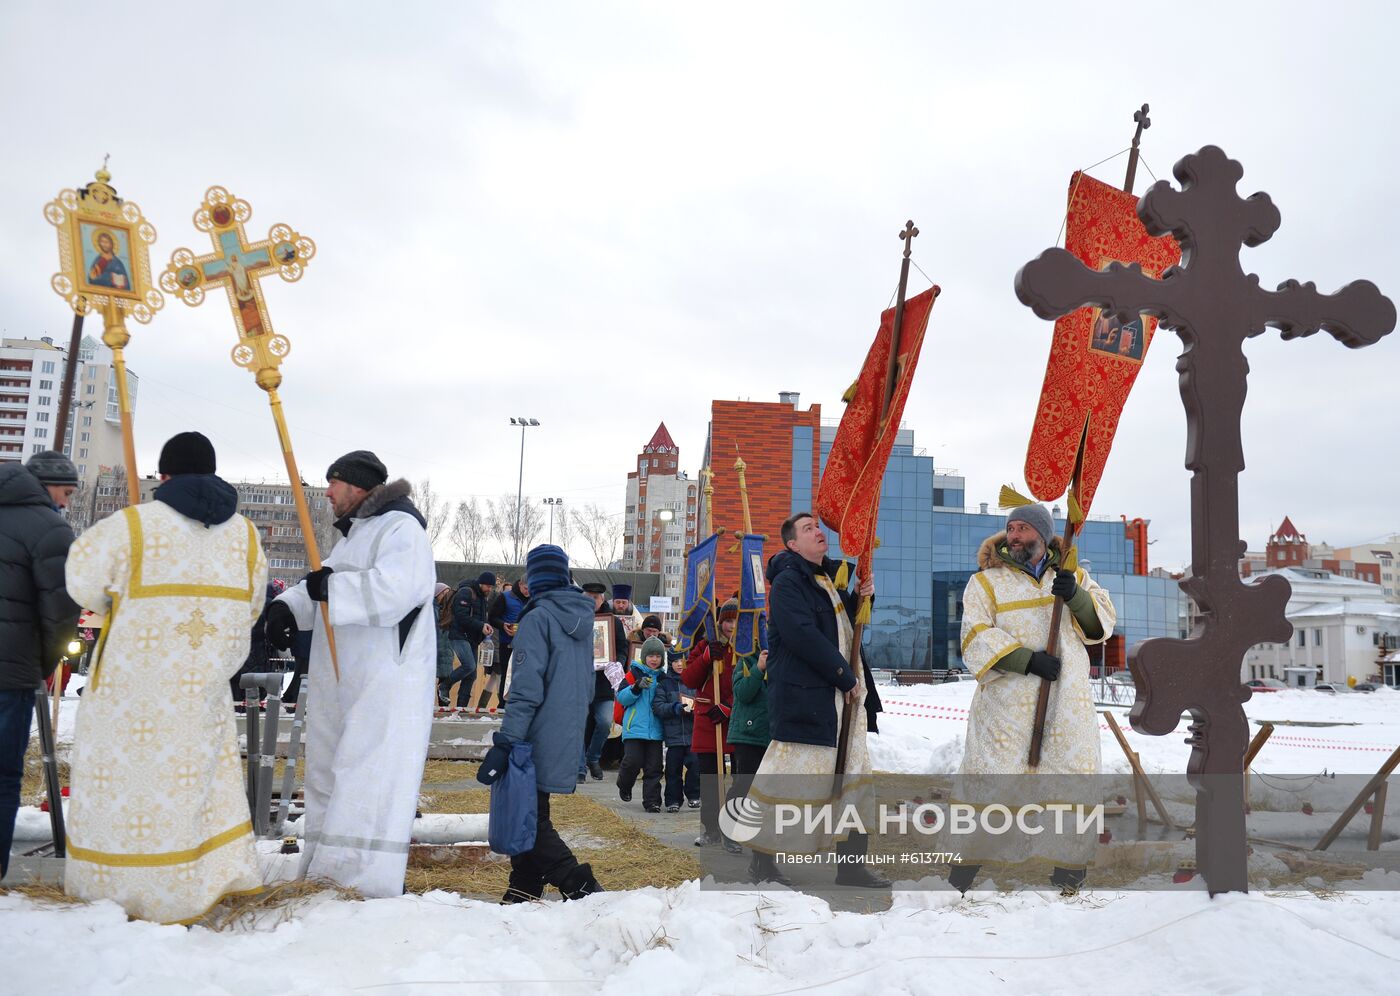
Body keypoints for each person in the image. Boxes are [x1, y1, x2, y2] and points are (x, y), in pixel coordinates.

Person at [63, 433, 267, 922]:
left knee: (124, 792)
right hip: (203, 693)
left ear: (165, 474)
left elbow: (82, 582)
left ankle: (118, 891)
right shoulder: (245, 536)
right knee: (194, 787)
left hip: (130, 695)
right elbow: (253, 607)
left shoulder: (133, 524)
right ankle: (198, 884)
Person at [266, 450, 436, 898]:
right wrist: (288, 606)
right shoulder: (356, 535)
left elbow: (395, 590)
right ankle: (324, 871)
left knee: (367, 777)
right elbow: (325, 583)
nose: (327, 492)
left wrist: (331, 587)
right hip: (343, 681)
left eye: (334, 482)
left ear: (358, 486)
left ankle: (360, 882)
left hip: (383, 681)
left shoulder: (402, 528)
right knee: (327, 774)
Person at [949, 503, 1115, 895]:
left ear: (1042, 535)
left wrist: (1074, 596)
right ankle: (960, 879)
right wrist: (1027, 660)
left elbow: (1099, 627)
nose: (1015, 535)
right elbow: (973, 636)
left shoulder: (1073, 576)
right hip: (1006, 707)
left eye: (1023, 528)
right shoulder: (985, 583)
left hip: (1066, 705)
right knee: (993, 785)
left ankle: (1069, 876)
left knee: (1070, 782)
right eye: (1010, 528)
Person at [744, 512, 887, 887]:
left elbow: (845, 627)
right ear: (792, 544)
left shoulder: (828, 579)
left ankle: (851, 866)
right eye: (808, 529)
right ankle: (762, 860)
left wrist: (861, 596)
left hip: (845, 702)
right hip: (809, 699)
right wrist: (843, 675)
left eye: (817, 526)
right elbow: (802, 636)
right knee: (791, 781)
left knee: (853, 777)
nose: (818, 532)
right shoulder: (790, 582)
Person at [476, 544, 604, 902]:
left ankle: (578, 883)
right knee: (530, 807)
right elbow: (588, 684)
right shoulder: (583, 619)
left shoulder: (537, 619)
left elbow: (526, 689)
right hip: (565, 727)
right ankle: (524, 886)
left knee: (528, 815)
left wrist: (507, 741)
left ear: (534, 580)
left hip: (534, 731)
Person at [0, 451, 80, 881]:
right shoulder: (50, 529)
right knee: (3, 776)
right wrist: (43, 665)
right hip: (9, 673)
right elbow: (60, 613)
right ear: (47, 486)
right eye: (65, 493)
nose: (65, 503)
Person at [681, 598, 740, 853]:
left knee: (742, 779)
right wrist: (706, 657)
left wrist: (729, 706)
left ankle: (734, 828)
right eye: (728, 620)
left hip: (738, 720)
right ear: (720, 622)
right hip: (708, 719)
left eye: (737, 620)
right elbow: (688, 677)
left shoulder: (748, 649)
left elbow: (756, 684)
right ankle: (711, 829)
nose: (732, 625)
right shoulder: (707, 645)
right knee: (710, 779)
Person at [730, 645, 785, 884]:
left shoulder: (783, 658)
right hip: (748, 737)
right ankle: (731, 824)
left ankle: (762, 856)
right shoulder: (744, 659)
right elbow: (742, 693)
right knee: (746, 789)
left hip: (773, 737)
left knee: (769, 797)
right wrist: (758, 668)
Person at [615, 636, 667, 812]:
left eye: (658, 656)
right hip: (635, 729)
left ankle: (652, 801)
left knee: (654, 768)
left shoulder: (664, 679)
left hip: (656, 732)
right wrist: (635, 688)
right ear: (644, 656)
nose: (654, 659)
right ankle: (624, 784)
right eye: (651, 656)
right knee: (632, 762)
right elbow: (621, 698)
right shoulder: (633, 674)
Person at [579, 582, 623, 782]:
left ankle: (593, 758)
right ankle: (579, 767)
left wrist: (617, 663)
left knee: (605, 722)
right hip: (579, 681)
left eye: (595, 598)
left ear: (602, 600)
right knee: (578, 725)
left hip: (603, 685)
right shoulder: (576, 618)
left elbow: (622, 648)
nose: (592, 601)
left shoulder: (613, 622)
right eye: (588, 597)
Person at [653, 649, 700, 813]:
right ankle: (673, 800)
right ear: (670, 663)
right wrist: (674, 708)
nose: (680, 664)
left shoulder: (694, 681)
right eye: (675, 661)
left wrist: (696, 709)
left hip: (692, 734)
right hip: (673, 737)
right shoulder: (664, 684)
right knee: (673, 770)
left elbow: (703, 700)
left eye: (683, 660)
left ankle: (694, 796)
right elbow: (658, 706)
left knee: (695, 766)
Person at [230, 578, 286, 706]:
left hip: (240, 644)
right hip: (259, 647)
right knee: (255, 678)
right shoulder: (270, 604)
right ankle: (251, 707)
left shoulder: (247, 602)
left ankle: (239, 705)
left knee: (239, 676)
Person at [443, 571, 496, 706]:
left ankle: (462, 707)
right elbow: (461, 616)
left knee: (472, 675)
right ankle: (444, 686)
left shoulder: (482, 597)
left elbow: (480, 618)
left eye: (491, 587)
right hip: (459, 635)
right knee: (469, 665)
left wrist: (485, 630)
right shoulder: (466, 592)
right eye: (487, 586)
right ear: (480, 583)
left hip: (472, 638)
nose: (489, 589)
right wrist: (481, 625)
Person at [486, 576, 530, 703]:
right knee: (506, 674)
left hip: (528, 644)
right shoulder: (505, 597)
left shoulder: (534, 599)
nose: (528, 592)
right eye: (526, 588)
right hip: (508, 642)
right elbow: (493, 617)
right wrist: (503, 625)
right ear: (520, 584)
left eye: (531, 589)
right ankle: (503, 704)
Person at [434, 582, 456, 706]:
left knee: (444, 680)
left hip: (445, 648)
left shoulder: (447, 609)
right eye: (446, 593)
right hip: (438, 648)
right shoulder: (433, 609)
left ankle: (444, 707)